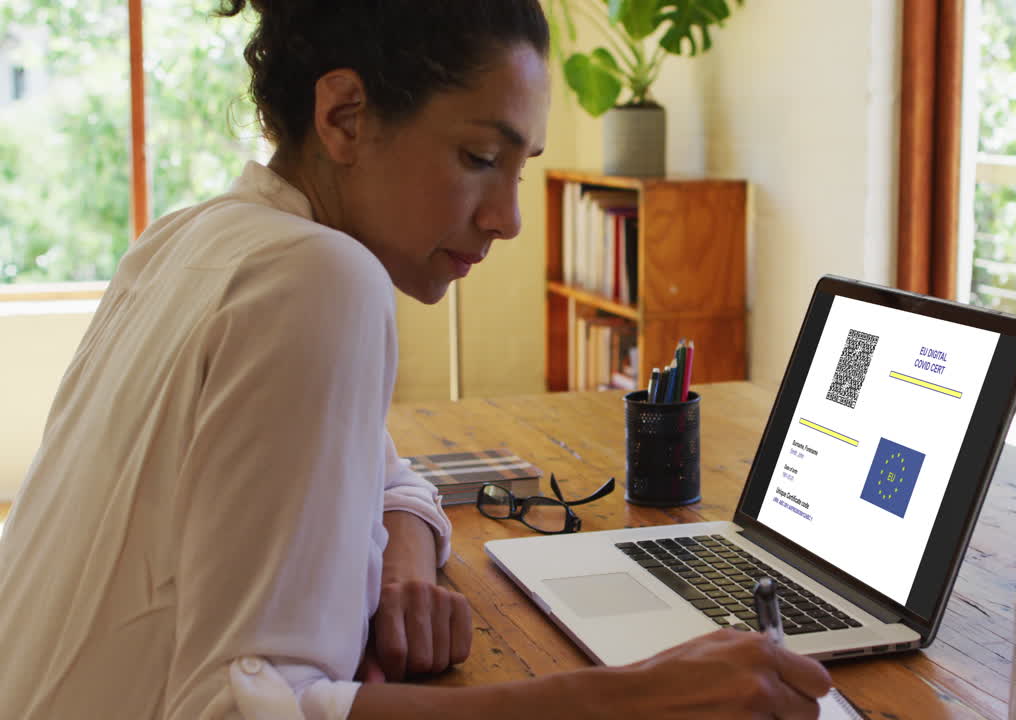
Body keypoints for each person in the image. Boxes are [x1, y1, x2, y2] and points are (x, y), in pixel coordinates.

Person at [0, 2, 832, 718]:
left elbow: (386, 469)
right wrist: (639, 697)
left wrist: (403, 566)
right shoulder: (321, 277)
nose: (507, 218)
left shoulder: (186, 239)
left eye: (520, 168)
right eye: (479, 159)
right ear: (345, 117)